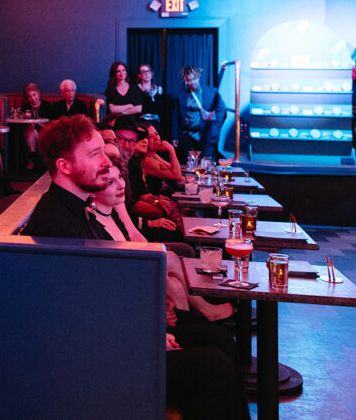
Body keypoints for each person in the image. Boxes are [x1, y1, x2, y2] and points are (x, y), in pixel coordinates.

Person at [22, 115, 244, 420]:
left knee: (219, 341)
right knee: (213, 367)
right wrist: (145, 335)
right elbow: (77, 319)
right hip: (97, 364)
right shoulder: (55, 224)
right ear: (64, 166)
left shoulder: (77, 207)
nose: (107, 162)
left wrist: (149, 326)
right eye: (94, 154)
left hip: (113, 340)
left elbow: (102, 294)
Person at [112, 115, 186, 244]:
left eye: (132, 141)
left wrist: (159, 202)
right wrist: (151, 221)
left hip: (135, 225)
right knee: (181, 236)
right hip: (125, 232)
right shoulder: (110, 170)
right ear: (112, 139)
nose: (127, 146)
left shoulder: (132, 163)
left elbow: (143, 193)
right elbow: (129, 208)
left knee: (182, 228)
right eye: (121, 139)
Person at [174, 65, 227, 160]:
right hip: (187, 136)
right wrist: (174, 136)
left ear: (198, 77)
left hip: (206, 136)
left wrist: (215, 129)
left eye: (194, 79)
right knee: (188, 164)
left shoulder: (212, 92)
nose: (192, 82)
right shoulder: (181, 95)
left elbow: (222, 111)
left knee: (207, 164)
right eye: (189, 80)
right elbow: (175, 117)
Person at [20, 82, 52, 171]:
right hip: (30, 131)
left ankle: (32, 159)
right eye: (30, 96)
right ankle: (33, 158)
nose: (32, 98)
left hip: (44, 131)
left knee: (34, 131)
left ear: (38, 94)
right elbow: (22, 121)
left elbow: (51, 121)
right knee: (30, 131)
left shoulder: (47, 105)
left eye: (34, 95)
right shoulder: (25, 107)